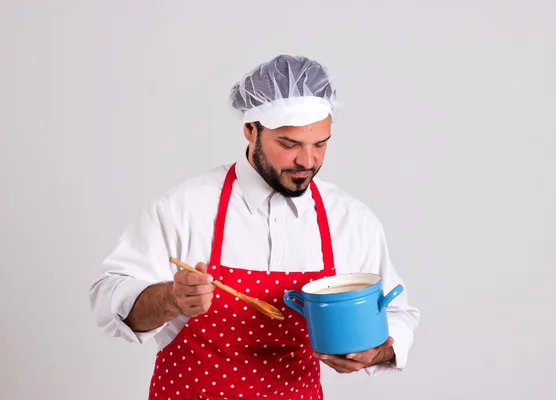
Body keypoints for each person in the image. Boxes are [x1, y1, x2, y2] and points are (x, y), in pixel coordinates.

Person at [89, 54, 420, 400]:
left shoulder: (350, 220)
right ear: (250, 129)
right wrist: (172, 298)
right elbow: (108, 298)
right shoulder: (185, 207)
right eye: (289, 144)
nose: (307, 161)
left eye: (320, 144)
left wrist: (375, 351)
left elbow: (396, 313)